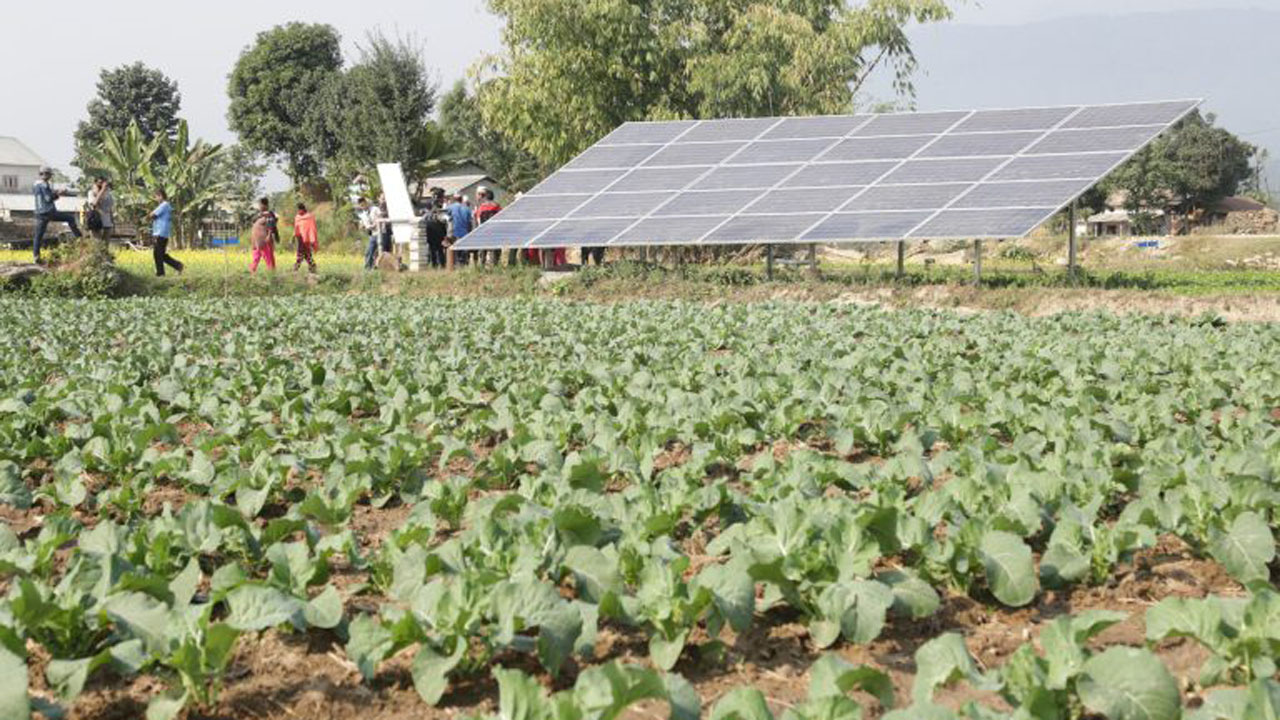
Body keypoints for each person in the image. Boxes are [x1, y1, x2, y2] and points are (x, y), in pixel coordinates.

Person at [31, 167, 82, 263]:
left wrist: (55, 192)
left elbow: (44, 196)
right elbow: (48, 198)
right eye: (48, 174)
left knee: (38, 236)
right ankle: (80, 238)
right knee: (70, 218)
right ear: (45, 174)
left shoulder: (36, 185)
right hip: (48, 212)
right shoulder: (44, 185)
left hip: (39, 213)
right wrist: (59, 194)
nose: (49, 176)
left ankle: (36, 256)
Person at [147, 188, 184, 276]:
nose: (155, 199)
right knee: (160, 254)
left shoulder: (164, 205)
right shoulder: (165, 205)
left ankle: (161, 273)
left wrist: (150, 214)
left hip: (160, 232)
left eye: (156, 197)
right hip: (161, 232)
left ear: (160, 196)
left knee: (157, 254)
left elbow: (152, 215)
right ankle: (178, 265)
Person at [249, 197, 278, 274]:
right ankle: (252, 272)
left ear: (265, 205)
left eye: (260, 205)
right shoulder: (259, 215)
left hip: (264, 241)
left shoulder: (269, 215)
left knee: (268, 258)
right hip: (256, 242)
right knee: (255, 258)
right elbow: (253, 222)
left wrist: (269, 235)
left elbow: (271, 226)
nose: (259, 206)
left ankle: (272, 274)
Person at [474, 187, 503, 265]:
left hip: (484, 232)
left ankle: (482, 264)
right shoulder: (497, 206)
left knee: (483, 249)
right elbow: (501, 218)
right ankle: (495, 264)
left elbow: (478, 219)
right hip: (495, 231)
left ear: (485, 197)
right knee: (495, 249)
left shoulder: (481, 207)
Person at [85, 176, 114, 251]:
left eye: (103, 183)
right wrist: (102, 190)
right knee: (97, 245)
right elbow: (94, 203)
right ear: (96, 183)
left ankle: (105, 258)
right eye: (100, 183)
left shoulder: (108, 194)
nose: (102, 185)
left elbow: (110, 208)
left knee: (105, 246)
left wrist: (112, 221)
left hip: (107, 222)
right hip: (96, 222)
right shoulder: (91, 192)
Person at [446, 193, 474, 266]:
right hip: (465, 232)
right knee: (465, 250)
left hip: (455, 232)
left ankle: (457, 263)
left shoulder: (450, 207)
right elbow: (470, 222)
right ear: (461, 199)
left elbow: (446, 217)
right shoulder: (467, 209)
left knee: (456, 249)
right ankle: (465, 263)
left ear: (454, 199)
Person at [292, 202, 318, 273]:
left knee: (302, 253)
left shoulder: (309, 217)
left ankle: (296, 267)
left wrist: (312, 239)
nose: (298, 212)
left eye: (298, 210)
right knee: (306, 254)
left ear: (302, 209)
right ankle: (312, 267)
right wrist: (293, 237)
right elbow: (296, 228)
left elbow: (312, 228)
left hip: (307, 238)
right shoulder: (297, 217)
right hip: (300, 238)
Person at [423, 198, 448, 269]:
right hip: (437, 234)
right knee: (438, 251)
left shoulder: (428, 215)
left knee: (434, 251)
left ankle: (436, 265)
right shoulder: (440, 213)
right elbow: (444, 224)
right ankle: (440, 264)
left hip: (433, 234)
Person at [356, 197, 378, 269]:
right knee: (371, 252)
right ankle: (371, 267)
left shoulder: (375, 209)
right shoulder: (363, 214)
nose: (363, 206)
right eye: (361, 205)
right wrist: (362, 226)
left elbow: (380, 217)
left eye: (363, 204)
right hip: (371, 234)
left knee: (370, 251)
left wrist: (374, 224)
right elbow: (363, 224)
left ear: (366, 203)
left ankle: (368, 267)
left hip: (379, 232)